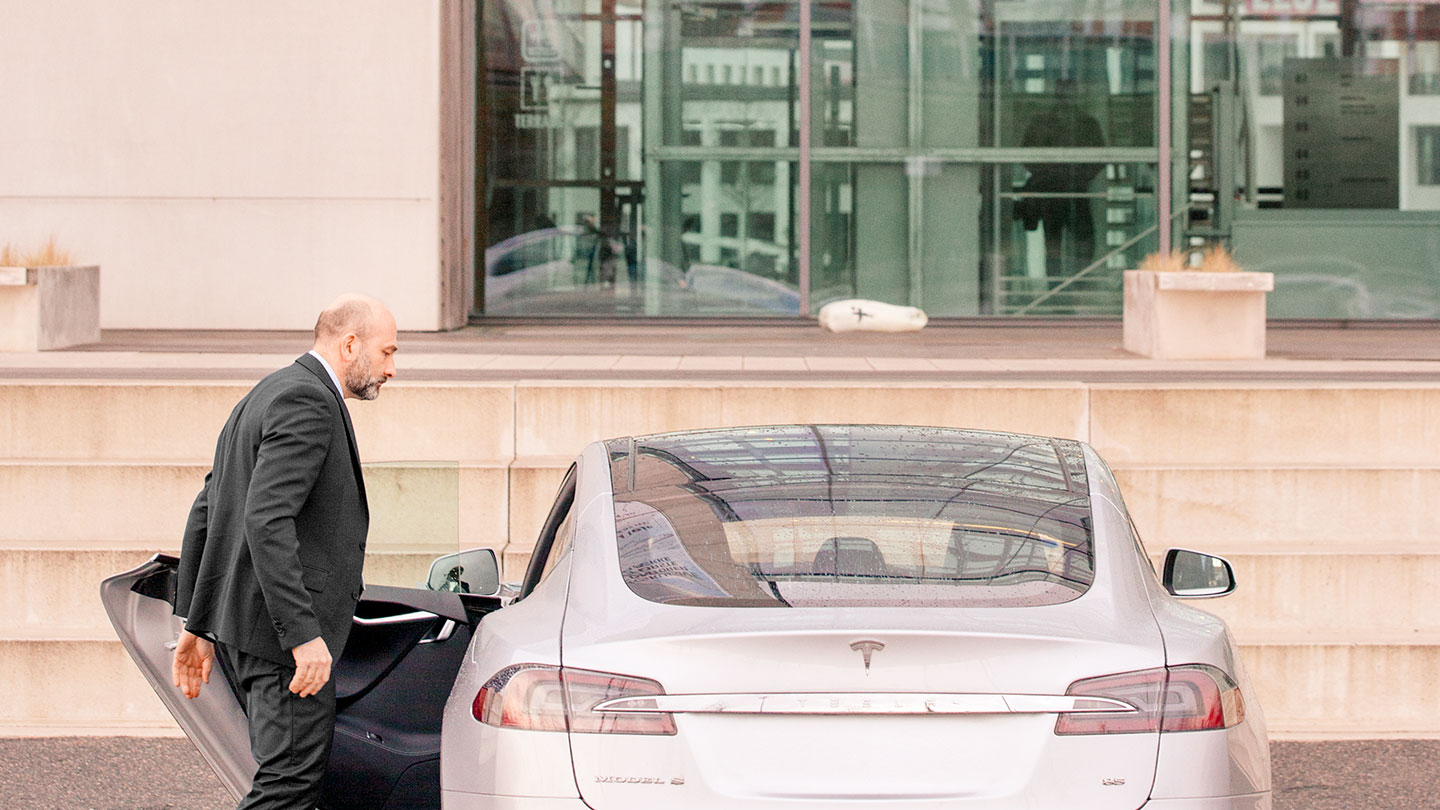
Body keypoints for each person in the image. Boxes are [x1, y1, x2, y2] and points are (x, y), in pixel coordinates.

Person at [170, 294, 398, 809]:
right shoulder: (309, 401)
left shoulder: (267, 392)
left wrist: (197, 621)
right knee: (289, 785)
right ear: (349, 345)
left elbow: (211, 508)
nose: (392, 369)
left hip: (251, 631)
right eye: (387, 353)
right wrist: (303, 637)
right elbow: (265, 519)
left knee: (287, 779)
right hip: (281, 644)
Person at [1019, 78, 1107, 277]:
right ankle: (1058, 287)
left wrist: (1078, 177)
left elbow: (1099, 157)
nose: (1066, 99)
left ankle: (1075, 285)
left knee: (1082, 242)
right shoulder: (1043, 123)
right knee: (1055, 245)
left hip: (1073, 189)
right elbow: (1026, 154)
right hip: (1052, 191)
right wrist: (1049, 174)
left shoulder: (1086, 123)